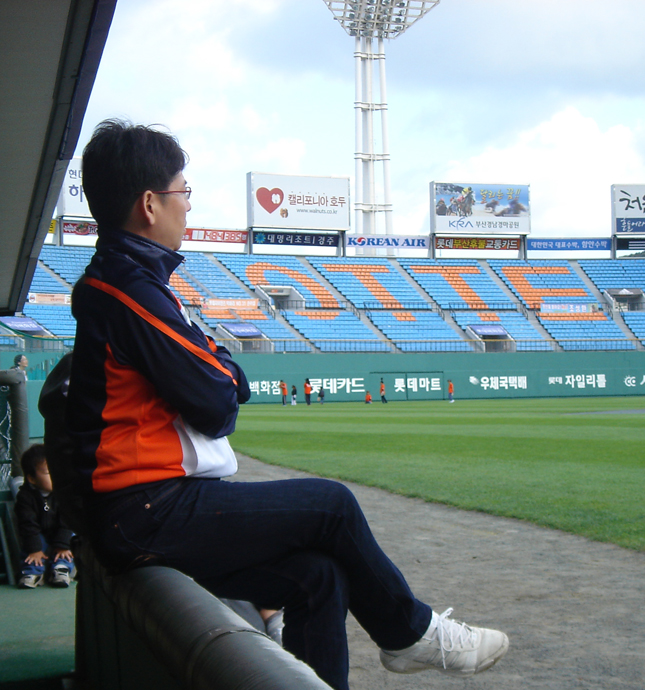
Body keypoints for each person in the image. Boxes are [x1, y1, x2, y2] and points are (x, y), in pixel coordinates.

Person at [66, 120, 508, 690]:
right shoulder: (129, 288)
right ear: (150, 204)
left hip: (145, 508)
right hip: (145, 510)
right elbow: (218, 403)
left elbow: (219, 376)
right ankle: (409, 633)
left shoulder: (128, 281)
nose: (189, 206)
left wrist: (220, 368)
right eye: (183, 192)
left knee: (319, 576)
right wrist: (222, 369)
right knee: (332, 505)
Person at [14, 444, 75, 588]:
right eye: (49, 473)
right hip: (38, 533)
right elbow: (28, 524)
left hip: (61, 531)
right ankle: (32, 571)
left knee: (71, 537)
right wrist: (35, 549)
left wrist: (62, 545)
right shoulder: (25, 497)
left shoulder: (64, 493)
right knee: (31, 541)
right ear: (32, 479)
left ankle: (61, 568)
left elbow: (68, 519)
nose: (55, 476)